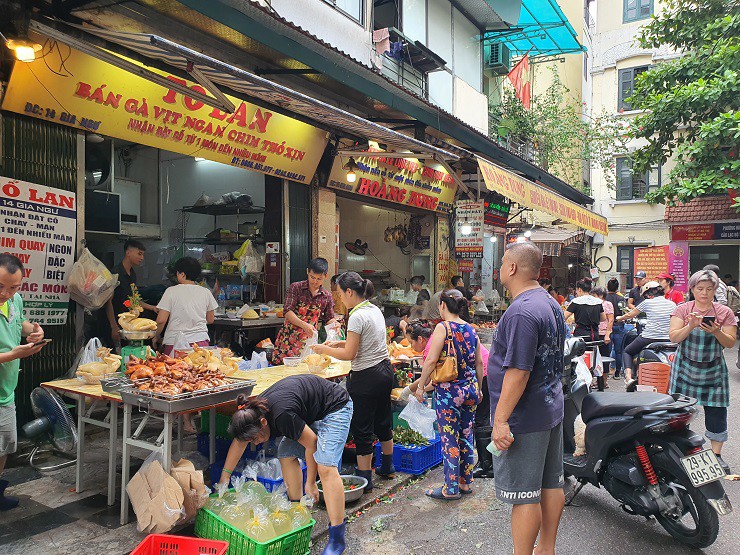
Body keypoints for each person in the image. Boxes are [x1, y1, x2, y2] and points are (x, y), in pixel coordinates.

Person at [489, 242, 566, 555]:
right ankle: (545, 548)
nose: (500, 268)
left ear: (511, 268)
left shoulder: (521, 311)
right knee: (551, 483)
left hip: (525, 416)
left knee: (525, 495)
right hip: (550, 407)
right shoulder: (550, 303)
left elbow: (518, 373)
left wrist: (500, 420)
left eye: (503, 261)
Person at [220, 375, 353, 555]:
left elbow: (311, 443)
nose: (256, 442)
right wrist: (225, 476)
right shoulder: (251, 415)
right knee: (285, 453)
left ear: (263, 422)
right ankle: (296, 509)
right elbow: (239, 442)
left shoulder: (282, 416)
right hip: (311, 411)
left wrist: (311, 482)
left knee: (326, 467)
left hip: (336, 406)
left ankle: (337, 538)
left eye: (256, 437)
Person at [312, 272, 395, 491]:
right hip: (385, 371)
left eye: (340, 293)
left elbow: (350, 354)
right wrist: (338, 345)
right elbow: (364, 342)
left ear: (350, 292)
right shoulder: (374, 309)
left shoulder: (356, 316)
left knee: (362, 428)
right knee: (383, 420)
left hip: (366, 376)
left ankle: (365, 479)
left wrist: (324, 349)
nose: (339, 298)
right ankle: (387, 466)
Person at [415, 289, 483, 499]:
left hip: (449, 392)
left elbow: (431, 360)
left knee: (449, 438)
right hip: (470, 390)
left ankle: (450, 488)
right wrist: (479, 388)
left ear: (443, 305)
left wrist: (420, 387)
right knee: (465, 435)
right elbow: (479, 363)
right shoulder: (471, 329)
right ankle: (465, 483)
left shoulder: (443, 328)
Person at [669, 270, 737, 474]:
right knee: (680, 413)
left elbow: (730, 343)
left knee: (716, 412)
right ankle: (681, 451)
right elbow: (674, 337)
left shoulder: (725, 312)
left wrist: (716, 331)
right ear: (692, 289)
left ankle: (716, 456)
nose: (704, 293)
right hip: (684, 368)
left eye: (709, 289)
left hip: (713, 369)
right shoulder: (682, 309)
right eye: (700, 289)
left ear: (715, 290)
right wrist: (690, 325)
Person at [0, 254, 47, 511]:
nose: (7, 293)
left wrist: (34, 331)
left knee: (4, 446)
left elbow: (20, 323)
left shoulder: (15, 301)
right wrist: (15, 354)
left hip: (6, 390)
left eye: (14, 287)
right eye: (1, 287)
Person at [272, 258, 336, 365]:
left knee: (305, 372)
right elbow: (287, 312)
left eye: (319, 278)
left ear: (326, 276)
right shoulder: (296, 288)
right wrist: (304, 325)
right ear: (307, 272)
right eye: (312, 277)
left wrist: (335, 325)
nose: (315, 281)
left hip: (309, 342)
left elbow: (329, 318)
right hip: (288, 340)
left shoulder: (326, 296)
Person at [154, 257, 217, 356]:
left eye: (177, 273)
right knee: (200, 370)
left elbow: (161, 320)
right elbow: (210, 319)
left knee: (175, 370)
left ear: (182, 274)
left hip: (175, 344)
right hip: (200, 343)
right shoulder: (205, 292)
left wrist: (156, 336)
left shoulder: (171, 291)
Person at [617, 281, 676, 386]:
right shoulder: (672, 304)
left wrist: (620, 318)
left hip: (649, 337)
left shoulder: (647, 303)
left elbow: (630, 314)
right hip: (668, 339)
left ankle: (628, 378)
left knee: (627, 351)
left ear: (649, 294)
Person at [106, 239, 158, 349]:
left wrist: (152, 308)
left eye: (143, 255)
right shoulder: (115, 273)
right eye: (139, 254)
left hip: (128, 325)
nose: (142, 258)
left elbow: (135, 299)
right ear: (128, 253)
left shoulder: (133, 274)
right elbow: (108, 301)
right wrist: (113, 326)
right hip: (114, 323)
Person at [592, 287, 614, 389]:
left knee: (605, 357)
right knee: (596, 358)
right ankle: (598, 380)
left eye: (595, 295)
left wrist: (607, 334)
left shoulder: (607, 304)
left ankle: (604, 381)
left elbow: (610, 320)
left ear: (601, 295)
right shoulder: (595, 304)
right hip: (596, 333)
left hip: (604, 333)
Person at [606, 278, 627, 379]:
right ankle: (617, 373)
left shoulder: (605, 298)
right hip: (619, 325)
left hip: (607, 327)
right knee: (619, 351)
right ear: (617, 288)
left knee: (607, 351)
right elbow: (624, 312)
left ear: (607, 287)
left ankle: (605, 373)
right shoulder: (621, 298)